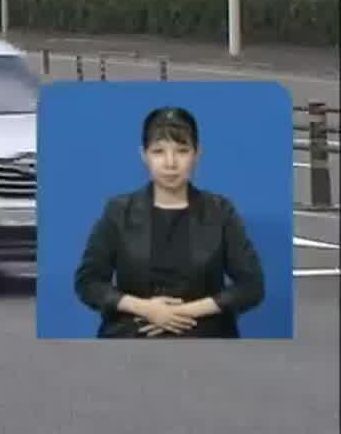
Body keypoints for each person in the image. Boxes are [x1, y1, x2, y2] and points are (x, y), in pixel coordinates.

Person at [74, 105, 265, 338]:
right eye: (158, 151)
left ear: (197, 154)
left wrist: (182, 313)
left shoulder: (220, 211)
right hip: (129, 334)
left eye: (182, 151)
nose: (170, 163)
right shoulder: (119, 211)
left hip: (206, 336)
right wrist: (145, 308)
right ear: (143, 155)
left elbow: (251, 286)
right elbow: (89, 282)